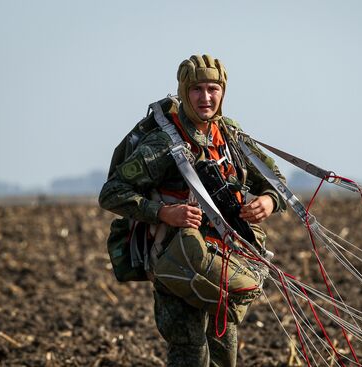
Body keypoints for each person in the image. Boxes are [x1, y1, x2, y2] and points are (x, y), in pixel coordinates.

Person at [99, 54, 286, 367]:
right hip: (175, 258)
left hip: (224, 258)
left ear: (223, 92)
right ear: (184, 92)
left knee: (225, 350)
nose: (206, 97)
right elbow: (112, 193)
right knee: (190, 353)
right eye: (197, 89)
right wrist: (163, 212)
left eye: (213, 88)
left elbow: (275, 180)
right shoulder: (163, 143)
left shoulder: (229, 137)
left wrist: (268, 200)